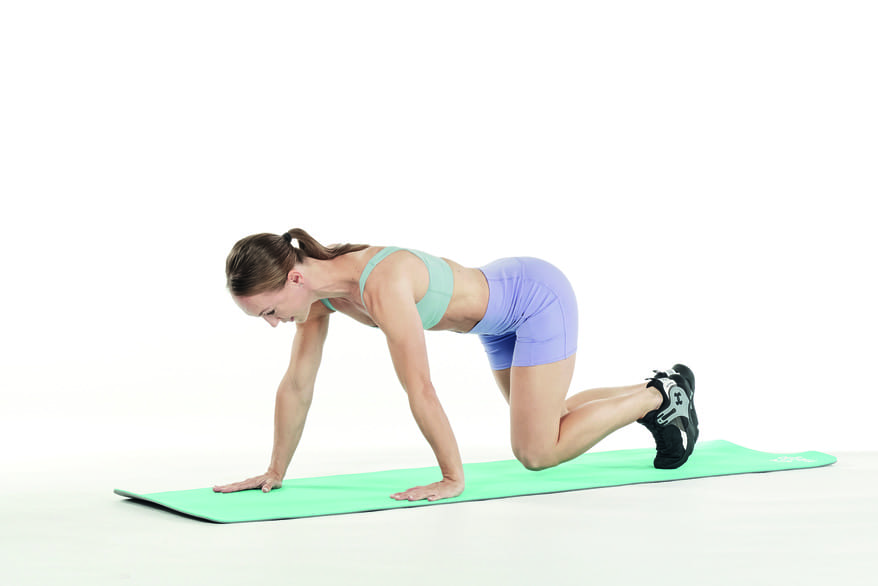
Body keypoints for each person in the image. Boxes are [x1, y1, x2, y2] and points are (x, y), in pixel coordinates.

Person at [213, 229, 699, 502]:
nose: (273, 323)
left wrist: (452, 476)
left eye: (269, 311)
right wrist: (274, 470)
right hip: (497, 321)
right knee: (549, 423)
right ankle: (656, 391)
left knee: (536, 451)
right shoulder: (320, 299)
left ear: (294, 277)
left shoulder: (380, 283)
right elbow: (297, 385)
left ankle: (660, 395)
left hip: (534, 300)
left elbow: (419, 386)